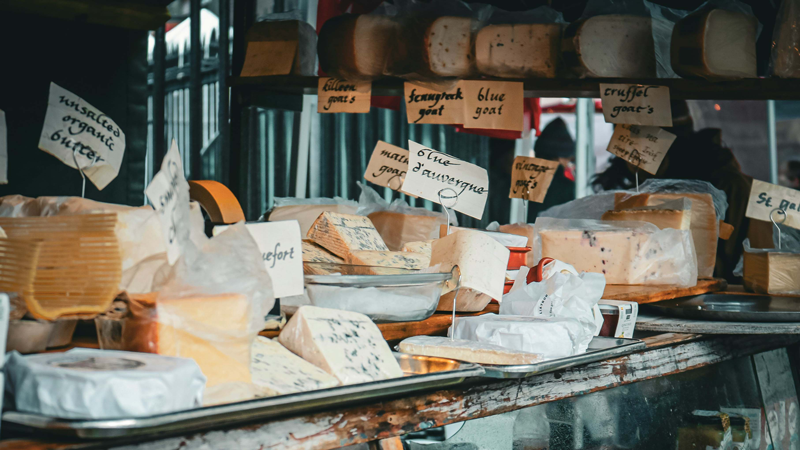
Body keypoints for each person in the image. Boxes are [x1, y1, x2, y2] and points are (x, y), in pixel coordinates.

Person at [591, 101, 769, 282]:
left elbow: (730, 265)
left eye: (643, 143)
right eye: (625, 141)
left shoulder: (725, 185)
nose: (633, 157)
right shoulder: (635, 183)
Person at [528, 117, 576, 219]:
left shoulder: (522, 182)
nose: (568, 163)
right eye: (568, 159)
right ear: (560, 158)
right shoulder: (567, 188)